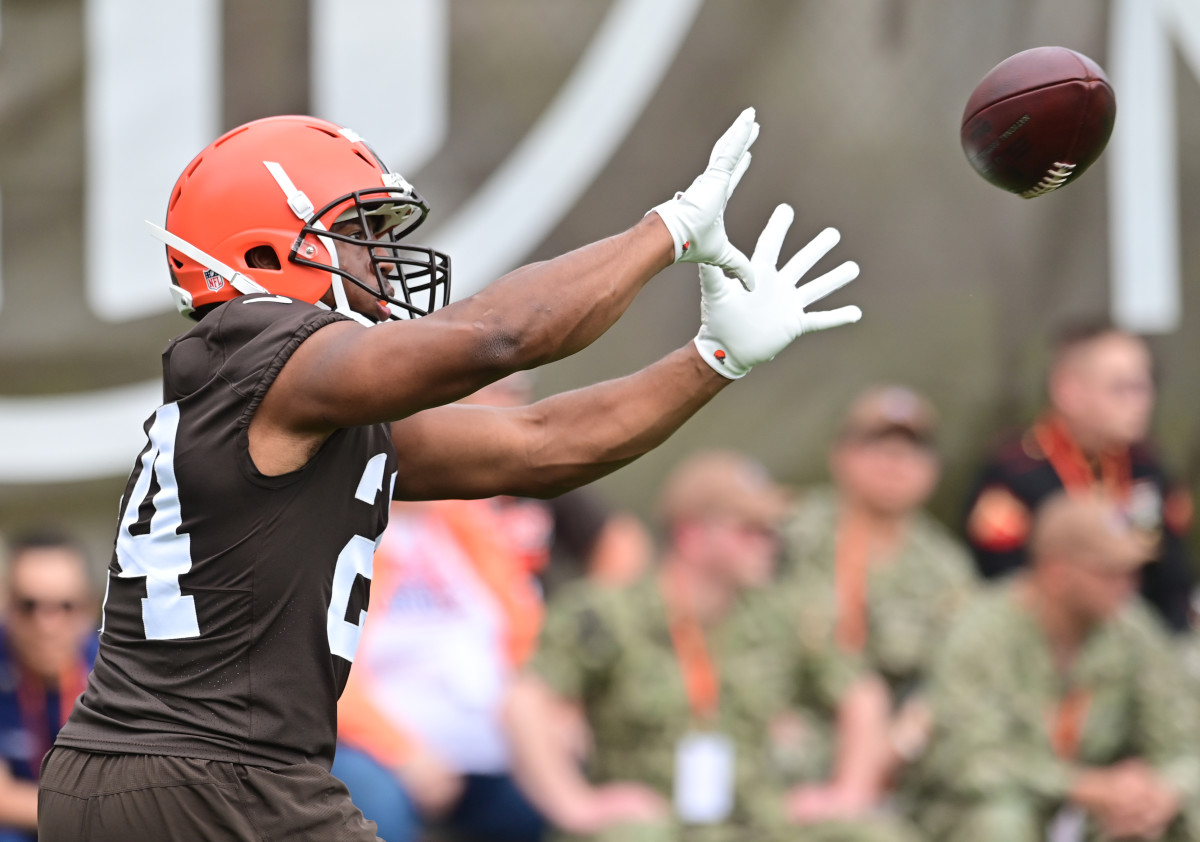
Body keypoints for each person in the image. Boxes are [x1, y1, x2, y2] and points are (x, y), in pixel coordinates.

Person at [37, 109, 865, 841]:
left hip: (117, 774)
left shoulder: (276, 401)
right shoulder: (269, 355)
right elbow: (496, 338)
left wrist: (711, 361)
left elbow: (541, 446)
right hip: (225, 779)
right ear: (265, 246)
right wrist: (672, 228)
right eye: (359, 231)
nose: (385, 259)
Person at [505, 451, 916, 842]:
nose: (768, 544)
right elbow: (523, 704)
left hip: (753, 818)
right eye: (749, 530)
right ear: (691, 534)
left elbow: (863, 696)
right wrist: (575, 804)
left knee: (872, 835)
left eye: (771, 531)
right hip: (655, 823)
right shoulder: (613, 614)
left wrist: (846, 794)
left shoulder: (779, 617)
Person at [907, 492, 1200, 842]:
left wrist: (1160, 792)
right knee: (1000, 820)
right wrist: (1081, 786)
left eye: (1133, 573)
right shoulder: (981, 631)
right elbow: (966, 760)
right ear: (1056, 571)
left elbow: (1183, 739)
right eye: (1109, 573)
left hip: (1094, 813)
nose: (1127, 586)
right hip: (985, 809)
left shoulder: (1131, 629)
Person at [780, 385, 976, 768]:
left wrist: (901, 741)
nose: (895, 462)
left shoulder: (946, 568)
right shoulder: (789, 537)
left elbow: (955, 672)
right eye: (878, 446)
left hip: (899, 745)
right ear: (840, 455)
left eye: (913, 451)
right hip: (798, 725)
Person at [964, 321, 1194, 633]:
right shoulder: (1017, 473)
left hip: (1136, 642)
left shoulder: (1144, 467)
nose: (1143, 401)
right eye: (1122, 388)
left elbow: (1167, 580)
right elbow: (1003, 588)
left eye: (1146, 385)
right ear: (1068, 392)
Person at [0, 531, 97, 842]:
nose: (47, 625)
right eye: (29, 606)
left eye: (65, 606)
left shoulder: (123, 675)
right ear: (7, 608)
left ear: (89, 610)